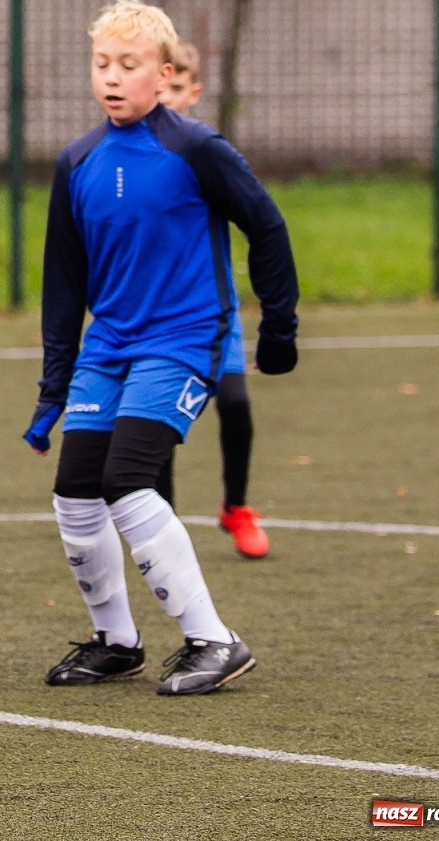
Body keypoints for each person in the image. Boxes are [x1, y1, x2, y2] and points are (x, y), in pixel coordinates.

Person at [23, 0, 299, 696]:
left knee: (127, 478)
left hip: (183, 338)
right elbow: (64, 285)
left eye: (129, 64)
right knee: (74, 491)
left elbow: (265, 225)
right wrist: (53, 389)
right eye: (101, 63)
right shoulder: (77, 160)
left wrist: (280, 329)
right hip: (108, 344)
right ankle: (117, 642)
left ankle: (215, 640)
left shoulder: (196, 149)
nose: (112, 78)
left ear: (165, 72)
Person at [157, 41, 270, 559]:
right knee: (156, 424)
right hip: (154, 317)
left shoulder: (204, 152)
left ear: (193, 93)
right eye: (162, 87)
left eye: (178, 89)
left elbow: (257, 218)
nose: (168, 97)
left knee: (237, 404)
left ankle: (237, 507)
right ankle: (164, 522)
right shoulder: (125, 156)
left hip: (212, 315)